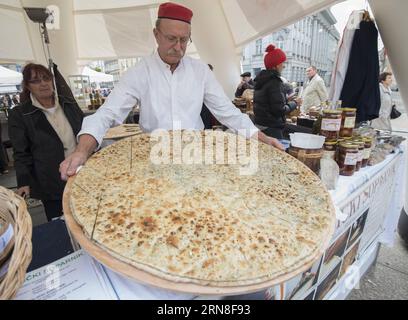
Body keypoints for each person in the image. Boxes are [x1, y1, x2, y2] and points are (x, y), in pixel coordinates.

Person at [59, 2, 283, 180]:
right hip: (153, 160)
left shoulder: (200, 71)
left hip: (196, 159)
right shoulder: (140, 72)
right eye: (171, 39)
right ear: (156, 34)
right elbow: (107, 114)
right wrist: (82, 151)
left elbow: (227, 111)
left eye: (184, 40)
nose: (178, 47)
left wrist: (260, 137)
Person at [8, 63, 84, 221]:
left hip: (82, 172)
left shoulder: (68, 103)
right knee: (60, 222)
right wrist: (24, 182)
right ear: (27, 86)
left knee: (88, 215)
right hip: (50, 179)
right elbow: (21, 152)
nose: (43, 83)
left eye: (46, 78)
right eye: (35, 81)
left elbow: (85, 131)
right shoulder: (20, 114)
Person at [253, 45, 302, 139]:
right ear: (275, 66)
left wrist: (285, 99)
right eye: (282, 63)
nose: (283, 66)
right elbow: (280, 110)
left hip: (260, 124)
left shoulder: (261, 80)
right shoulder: (274, 82)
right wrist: (295, 103)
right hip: (272, 128)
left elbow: (267, 102)